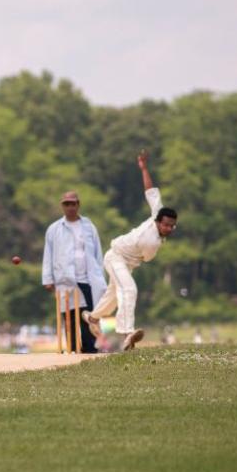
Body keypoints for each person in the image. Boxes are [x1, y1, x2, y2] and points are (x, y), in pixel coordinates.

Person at [82, 150, 178, 350]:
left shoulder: (157, 211)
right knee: (129, 289)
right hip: (116, 257)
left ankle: (92, 318)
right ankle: (127, 333)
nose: (168, 228)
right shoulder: (150, 241)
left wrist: (144, 168)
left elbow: (150, 191)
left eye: (171, 226)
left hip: (129, 263)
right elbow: (147, 257)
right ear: (158, 221)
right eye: (165, 225)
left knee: (113, 297)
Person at [41, 190, 107, 353]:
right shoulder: (54, 229)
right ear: (62, 206)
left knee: (89, 319)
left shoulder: (89, 227)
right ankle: (71, 351)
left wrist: (100, 278)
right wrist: (47, 278)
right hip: (65, 279)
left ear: (78, 205)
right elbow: (48, 254)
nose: (70, 207)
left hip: (87, 280)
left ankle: (90, 352)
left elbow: (98, 253)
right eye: (66, 204)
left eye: (73, 204)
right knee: (69, 319)